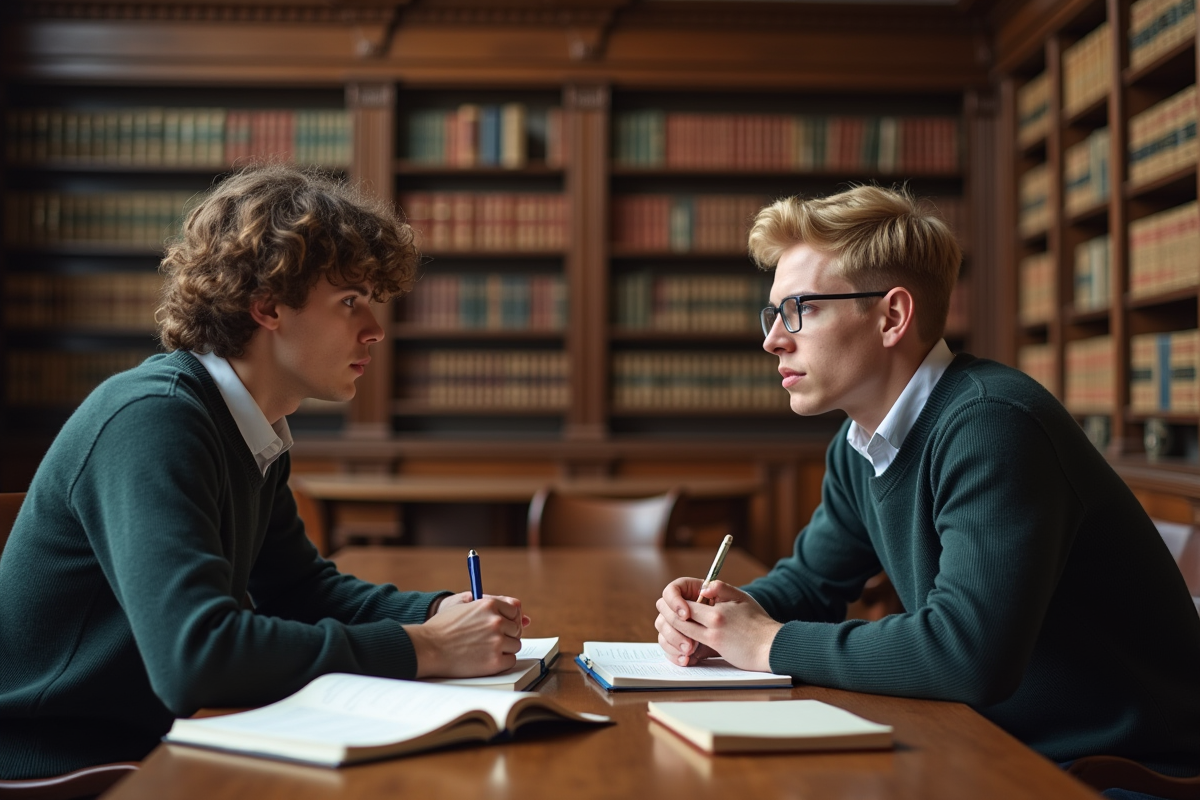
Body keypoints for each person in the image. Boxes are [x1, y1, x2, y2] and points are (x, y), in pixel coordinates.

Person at [654, 185, 1200, 785]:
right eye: (774, 313)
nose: (773, 339)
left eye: (800, 309)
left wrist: (767, 644)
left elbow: (967, 654)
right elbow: (811, 584)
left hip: (1115, 773)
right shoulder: (860, 444)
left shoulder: (993, 423)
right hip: (992, 746)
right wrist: (716, 619)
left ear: (892, 317)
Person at [0, 164, 528, 780]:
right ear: (268, 306)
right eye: (350, 302)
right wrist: (429, 648)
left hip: (158, 742)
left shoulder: (249, 426)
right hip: (64, 764)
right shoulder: (154, 419)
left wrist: (435, 613)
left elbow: (300, 591)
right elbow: (197, 658)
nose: (375, 331)